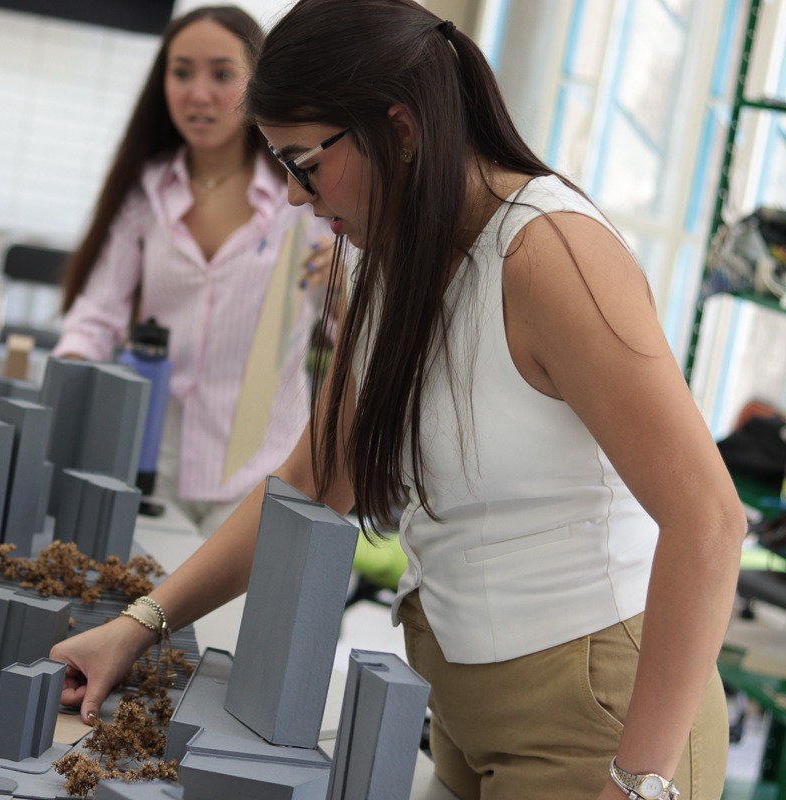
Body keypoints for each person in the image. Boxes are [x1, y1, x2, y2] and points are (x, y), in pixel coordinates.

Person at [50, 2, 747, 799]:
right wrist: (140, 624)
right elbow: (314, 480)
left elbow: (709, 522)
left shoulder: (550, 254)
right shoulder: (389, 252)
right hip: (461, 704)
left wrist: (641, 783)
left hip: (600, 723)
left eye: (303, 163)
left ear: (400, 129)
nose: (293, 197)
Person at [52, 6, 334, 537]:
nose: (198, 94)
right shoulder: (146, 193)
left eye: (222, 74)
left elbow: (356, 334)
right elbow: (96, 317)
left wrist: (342, 291)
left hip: (265, 472)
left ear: (259, 83)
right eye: (181, 72)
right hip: (151, 468)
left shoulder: (303, 196)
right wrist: (65, 380)